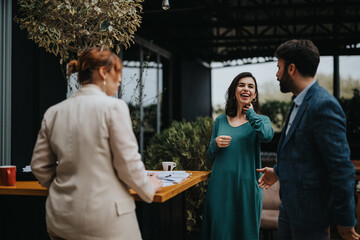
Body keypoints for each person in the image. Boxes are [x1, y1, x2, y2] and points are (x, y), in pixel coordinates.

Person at [30, 47, 162, 240]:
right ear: (103, 72)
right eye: (117, 72)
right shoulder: (114, 107)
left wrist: (61, 189)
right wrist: (149, 187)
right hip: (106, 222)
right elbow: (128, 165)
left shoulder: (53, 112)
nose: (120, 79)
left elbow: (39, 166)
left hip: (61, 217)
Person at [257, 39, 360, 240]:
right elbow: (304, 154)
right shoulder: (299, 102)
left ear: (292, 68)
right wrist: (277, 171)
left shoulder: (323, 105)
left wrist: (347, 220)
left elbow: (341, 168)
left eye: (279, 67)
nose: (277, 74)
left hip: (311, 216)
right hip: (289, 209)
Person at [201, 72, 274, 240]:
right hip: (220, 187)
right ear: (234, 91)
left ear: (254, 95)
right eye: (241, 85)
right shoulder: (220, 121)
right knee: (219, 232)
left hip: (247, 187)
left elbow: (266, 136)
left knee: (245, 234)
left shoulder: (261, 120)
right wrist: (215, 144)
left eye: (250, 86)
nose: (246, 89)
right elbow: (209, 155)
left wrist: (251, 115)